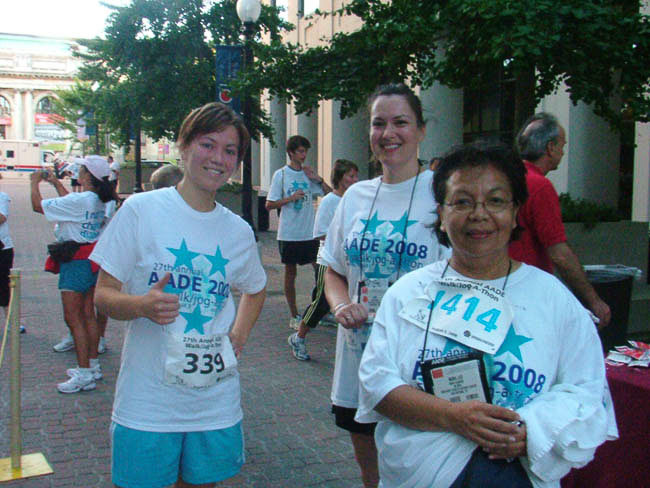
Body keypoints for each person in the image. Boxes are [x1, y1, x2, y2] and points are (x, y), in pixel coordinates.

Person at [356, 142, 618, 487]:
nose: (479, 214)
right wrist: (454, 417)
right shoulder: (408, 294)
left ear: (515, 212)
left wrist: (532, 432)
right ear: (441, 214)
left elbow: (587, 392)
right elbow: (377, 383)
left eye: (495, 201)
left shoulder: (554, 299)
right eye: (463, 202)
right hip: (423, 474)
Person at [91, 102, 267, 488]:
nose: (218, 158)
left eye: (230, 150)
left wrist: (238, 335)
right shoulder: (141, 211)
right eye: (207, 144)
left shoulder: (238, 231)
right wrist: (141, 305)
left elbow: (256, 289)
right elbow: (102, 295)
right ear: (183, 146)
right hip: (148, 402)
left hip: (213, 402)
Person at [321, 83, 449, 488]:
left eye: (400, 122)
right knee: (371, 475)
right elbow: (333, 269)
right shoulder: (355, 197)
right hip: (358, 355)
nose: (388, 133)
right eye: (379, 123)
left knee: (419, 471)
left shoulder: (443, 195)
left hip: (416, 362)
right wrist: (341, 307)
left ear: (421, 130)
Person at [508, 113, 611, 328]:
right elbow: (559, 253)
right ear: (550, 147)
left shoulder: (507, 179)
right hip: (529, 295)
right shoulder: (539, 186)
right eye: (562, 145)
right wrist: (593, 300)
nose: (563, 152)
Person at [30, 156, 118, 393]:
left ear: (88, 175)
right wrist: (56, 184)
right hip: (90, 259)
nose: (78, 170)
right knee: (88, 314)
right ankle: (92, 365)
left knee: (73, 317)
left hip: (75, 262)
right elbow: (69, 204)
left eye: (81, 168)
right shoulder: (98, 199)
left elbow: (38, 206)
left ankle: (84, 372)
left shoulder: (81, 200)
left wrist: (34, 182)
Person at [288, 159, 359, 361]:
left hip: (350, 260)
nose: (355, 180)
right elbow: (320, 233)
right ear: (340, 178)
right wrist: (342, 241)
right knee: (321, 301)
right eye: (351, 176)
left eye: (356, 176)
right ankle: (299, 337)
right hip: (328, 259)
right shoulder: (329, 201)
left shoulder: (354, 201)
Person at [266, 135, 332, 329]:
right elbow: (269, 204)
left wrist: (318, 179)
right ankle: (294, 314)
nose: (304, 155)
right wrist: (291, 198)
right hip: (289, 233)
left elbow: (330, 193)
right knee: (290, 273)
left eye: (305, 151)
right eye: (300, 151)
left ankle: (319, 310)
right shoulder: (281, 175)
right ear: (291, 153)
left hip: (309, 233)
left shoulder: (307, 174)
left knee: (321, 272)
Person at [0, 186, 24, 333]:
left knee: (4, 286)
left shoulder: (2, 196)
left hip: (3, 249)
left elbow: (2, 218)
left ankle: (12, 323)